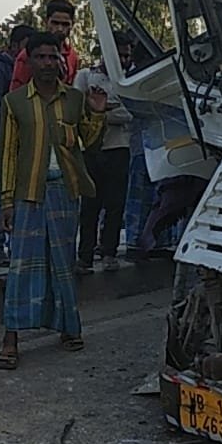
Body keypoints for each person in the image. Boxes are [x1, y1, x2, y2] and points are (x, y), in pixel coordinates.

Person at [0, 32, 106, 369]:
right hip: (28, 193)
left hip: (64, 191)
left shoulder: (73, 99)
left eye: (52, 56)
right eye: (40, 57)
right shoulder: (14, 102)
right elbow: (9, 154)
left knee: (63, 262)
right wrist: (6, 201)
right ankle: (10, 339)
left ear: (61, 60)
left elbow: (87, 141)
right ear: (28, 62)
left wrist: (97, 113)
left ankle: (69, 329)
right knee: (22, 266)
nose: (47, 63)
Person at [74, 34, 134, 274]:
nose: (123, 60)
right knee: (90, 204)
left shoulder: (129, 80)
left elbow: (131, 114)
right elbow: (78, 110)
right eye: (119, 54)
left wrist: (100, 112)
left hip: (120, 148)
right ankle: (85, 256)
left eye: (127, 56)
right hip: (92, 148)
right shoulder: (86, 76)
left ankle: (109, 251)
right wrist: (103, 112)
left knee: (116, 204)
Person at [0, 24, 33, 268]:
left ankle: (14, 246)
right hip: (5, 141)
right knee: (5, 194)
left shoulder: (25, 70)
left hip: (26, 140)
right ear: (14, 46)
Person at [9, 0, 81, 91]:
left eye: (65, 24)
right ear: (46, 21)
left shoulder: (72, 56)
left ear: (72, 25)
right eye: (55, 23)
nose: (60, 28)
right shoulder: (29, 52)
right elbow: (16, 91)